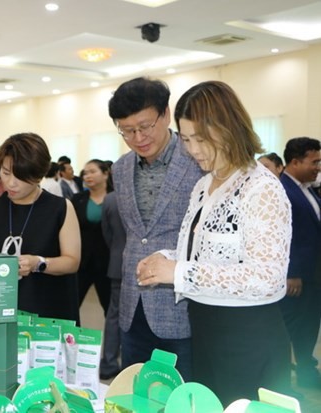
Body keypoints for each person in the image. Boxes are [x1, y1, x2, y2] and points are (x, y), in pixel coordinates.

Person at [136, 80, 292, 404]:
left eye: (202, 139)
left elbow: (267, 278)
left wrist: (179, 272)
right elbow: (202, 252)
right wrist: (163, 260)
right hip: (206, 326)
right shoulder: (205, 185)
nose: (193, 149)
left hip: (247, 335)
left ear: (229, 129)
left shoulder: (260, 187)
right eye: (187, 139)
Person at [107, 77, 203, 380]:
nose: (137, 137)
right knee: (135, 392)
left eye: (145, 126)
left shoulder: (198, 160)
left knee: (182, 392)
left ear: (166, 113)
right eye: (127, 130)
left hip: (183, 305)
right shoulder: (120, 168)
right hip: (133, 305)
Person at [0, 132, 81, 322]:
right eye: (6, 173)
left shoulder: (60, 208)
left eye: (21, 177)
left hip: (49, 310)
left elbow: (72, 261)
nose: (11, 183)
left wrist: (37, 262)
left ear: (39, 176)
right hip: (0, 311)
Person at [279, 137, 321, 389]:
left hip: (312, 275)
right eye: (314, 162)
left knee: (308, 327)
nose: (318, 167)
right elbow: (284, 235)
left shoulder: (306, 188)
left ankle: (307, 371)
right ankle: (283, 383)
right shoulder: (283, 189)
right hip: (297, 277)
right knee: (291, 331)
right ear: (295, 161)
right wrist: (291, 272)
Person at [71, 159, 112, 314]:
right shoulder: (77, 200)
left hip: (107, 262)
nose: (88, 176)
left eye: (93, 171)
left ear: (105, 174)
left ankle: (112, 339)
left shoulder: (117, 199)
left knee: (110, 307)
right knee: (73, 304)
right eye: (85, 173)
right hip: (82, 262)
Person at [99, 191, 125, 380]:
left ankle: (108, 363)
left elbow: (106, 232)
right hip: (150, 265)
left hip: (117, 262)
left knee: (114, 314)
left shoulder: (110, 199)